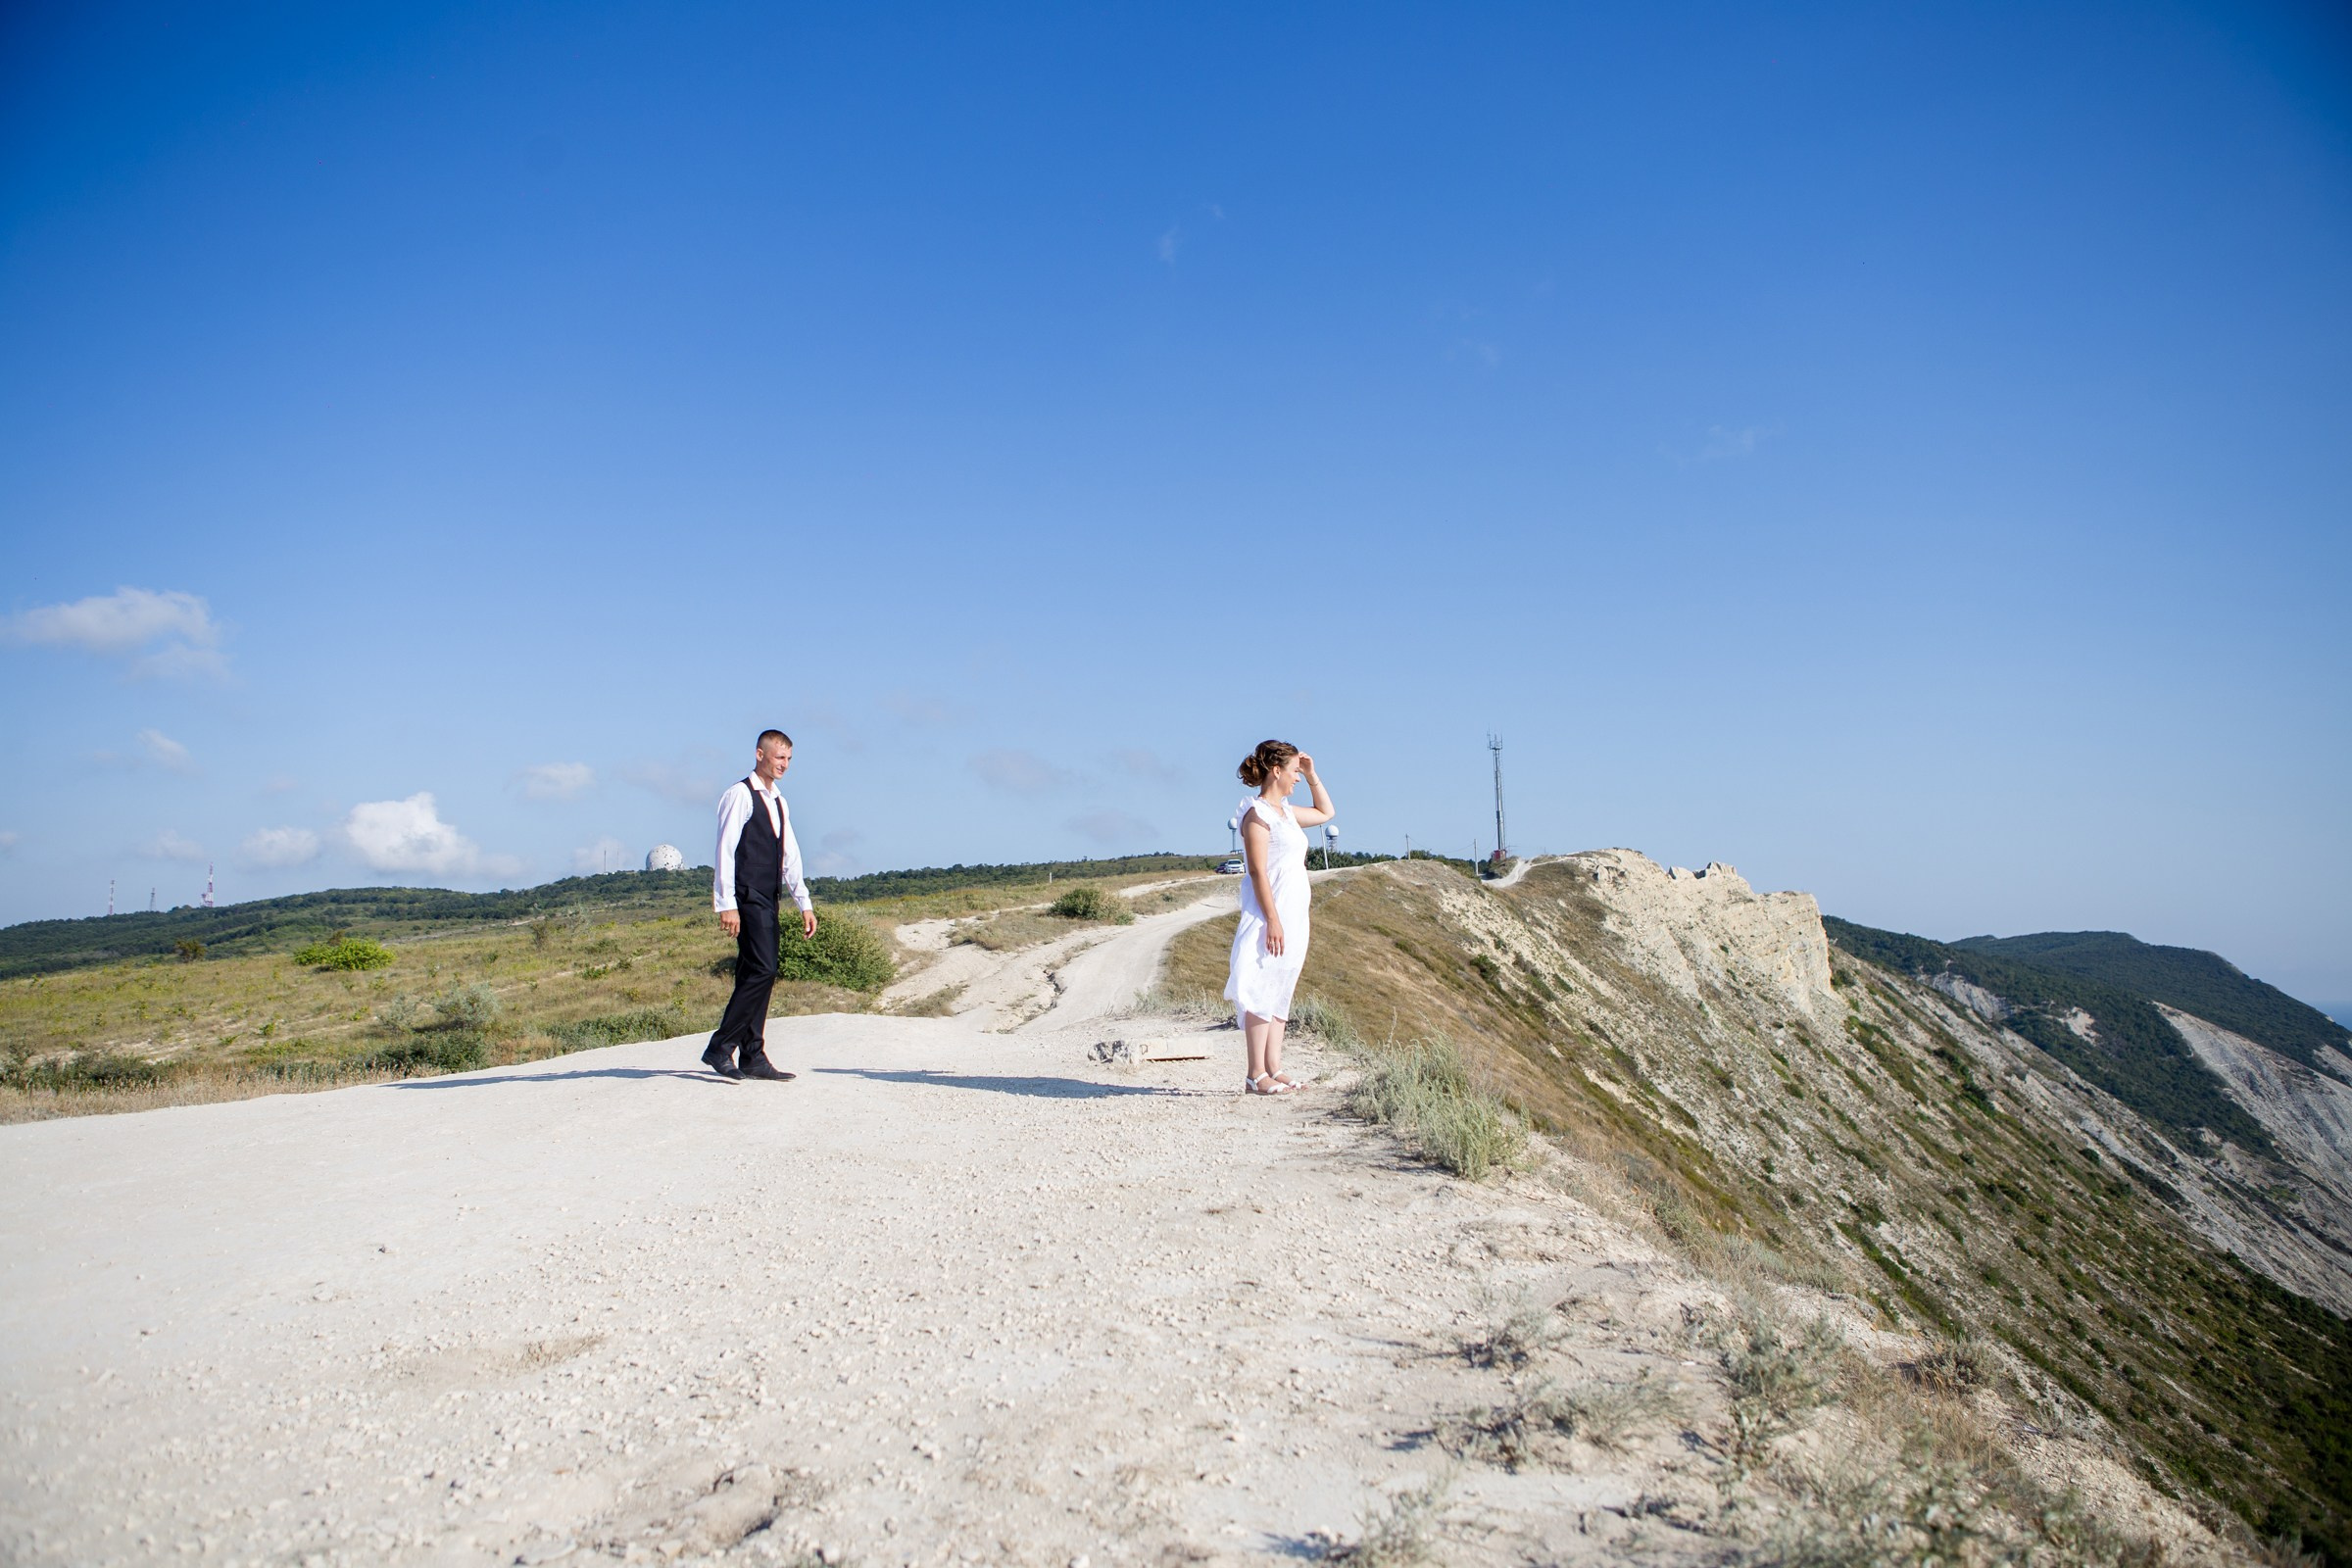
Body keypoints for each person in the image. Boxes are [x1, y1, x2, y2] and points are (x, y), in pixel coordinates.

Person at [706, 729, 818, 1081]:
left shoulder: (779, 801)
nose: (784, 764)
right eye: (779, 757)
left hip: (769, 895)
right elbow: (725, 851)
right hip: (746, 895)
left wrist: (804, 902)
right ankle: (720, 1047)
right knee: (763, 969)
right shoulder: (739, 795)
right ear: (760, 754)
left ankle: (752, 1054)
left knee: (753, 972)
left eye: (789, 759)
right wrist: (726, 904)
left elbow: (789, 855)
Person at [1224, 740, 1335, 1095]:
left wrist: (1312, 773)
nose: (1297, 778)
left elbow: (1326, 813)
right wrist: (1272, 919)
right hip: (1269, 915)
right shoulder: (1257, 814)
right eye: (1294, 772)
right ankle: (1255, 1074)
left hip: (1294, 915)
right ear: (1276, 771)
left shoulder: (1285, 812)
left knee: (1281, 987)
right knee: (1261, 985)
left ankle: (1274, 1067)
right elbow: (1258, 872)